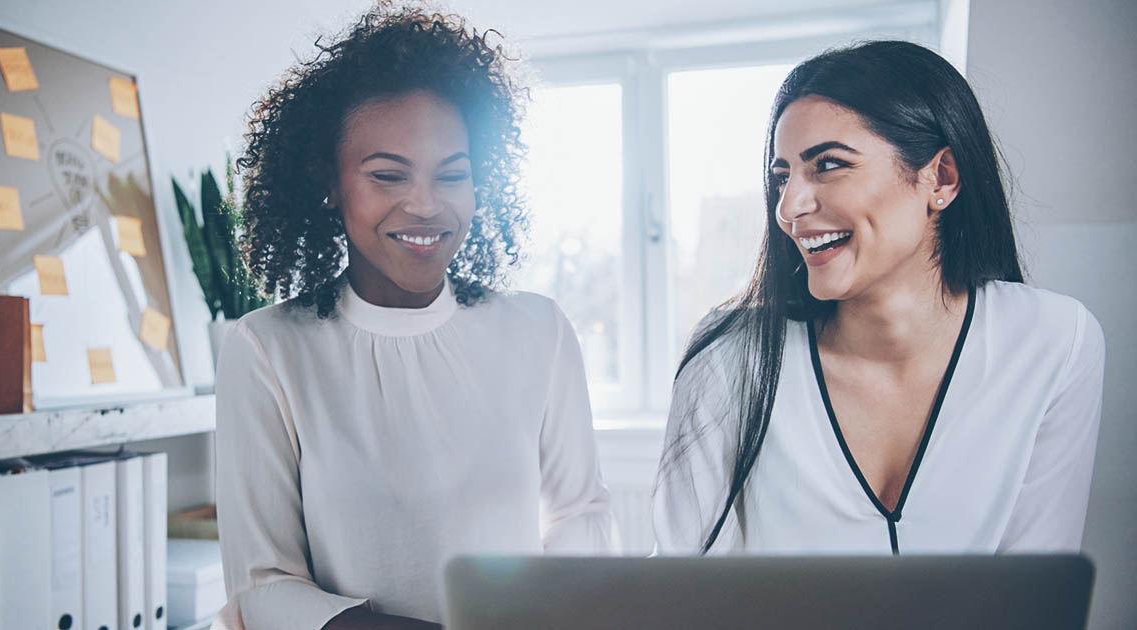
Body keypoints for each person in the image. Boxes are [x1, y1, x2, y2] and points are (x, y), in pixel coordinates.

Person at [214, 6, 614, 629]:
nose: (426, 204)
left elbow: (580, 515)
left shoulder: (539, 331)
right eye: (387, 175)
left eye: (452, 174)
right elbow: (263, 586)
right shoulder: (268, 349)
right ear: (330, 184)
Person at [653, 41, 1105, 556]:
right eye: (782, 177)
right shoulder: (728, 360)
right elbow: (685, 591)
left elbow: (1035, 593)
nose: (789, 207)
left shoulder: (1056, 343)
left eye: (827, 164)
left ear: (941, 177)